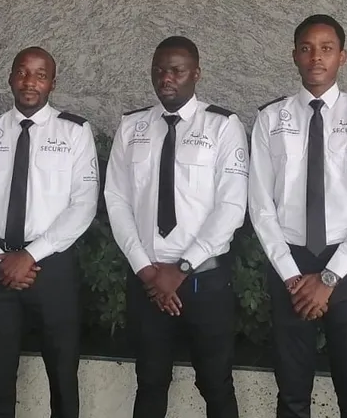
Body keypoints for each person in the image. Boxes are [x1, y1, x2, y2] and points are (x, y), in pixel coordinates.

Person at [248, 14, 347, 418]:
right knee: (291, 394)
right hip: (290, 265)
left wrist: (330, 277)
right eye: (307, 48)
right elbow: (260, 204)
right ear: (294, 55)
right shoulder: (270, 119)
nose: (316, 57)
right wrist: (291, 276)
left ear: (342, 57)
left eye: (326, 49)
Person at [104, 35, 248, 418]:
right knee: (150, 383)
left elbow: (232, 207)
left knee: (216, 384)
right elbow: (116, 200)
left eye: (177, 70)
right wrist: (147, 270)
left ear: (196, 73)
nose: (166, 78)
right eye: (159, 70)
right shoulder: (132, 127)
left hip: (204, 282)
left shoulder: (222, 126)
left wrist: (181, 268)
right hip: (148, 281)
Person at [0, 47, 98, 418]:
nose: (30, 82)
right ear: (10, 78)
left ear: (52, 83)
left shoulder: (75, 132)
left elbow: (83, 204)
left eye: (40, 74)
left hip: (51, 267)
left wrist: (30, 255)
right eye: (22, 72)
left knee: (63, 374)